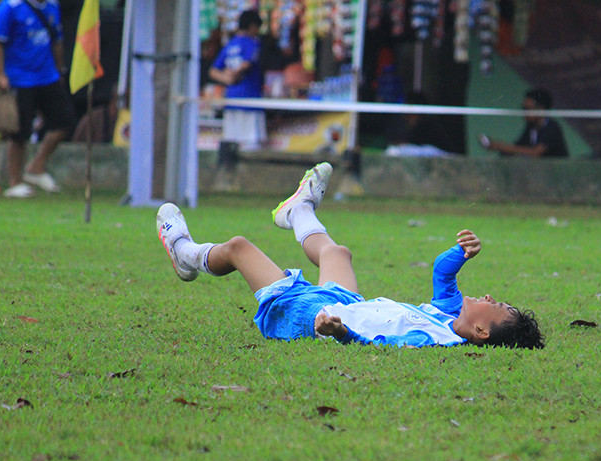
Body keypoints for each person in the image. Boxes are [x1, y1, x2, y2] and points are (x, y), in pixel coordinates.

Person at [156, 163, 545, 349]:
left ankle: (186, 254)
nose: (491, 297)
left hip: (305, 315)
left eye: (498, 307)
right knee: (337, 251)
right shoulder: (446, 313)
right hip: (344, 301)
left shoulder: (433, 338)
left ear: (481, 332)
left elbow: (378, 343)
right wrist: (461, 252)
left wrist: (339, 331)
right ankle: (298, 211)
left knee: (240, 247)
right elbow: (442, 275)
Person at [0, 0, 76, 198]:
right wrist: (2, 74)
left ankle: (36, 167)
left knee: (65, 121)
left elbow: (57, 40)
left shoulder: (53, 6)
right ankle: (15, 182)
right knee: (19, 131)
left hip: (48, 76)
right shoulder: (10, 8)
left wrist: (60, 69)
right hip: (20, 78)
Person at [209, 9, 265, 151]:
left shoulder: (230, 45)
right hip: (249, 101)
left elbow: (213, 71)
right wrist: (234, 75)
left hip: (231, 100)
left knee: (231, 145)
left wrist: (226, 78)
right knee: (250, 145)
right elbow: (247, 62)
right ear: (253, 26)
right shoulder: (251, 43)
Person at [479, 87, 568, 158]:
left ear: (541, 109)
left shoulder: (552, 127)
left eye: (528, 109)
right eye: (523, 109)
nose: (525, 113)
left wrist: (502, 147)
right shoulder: (530, 127)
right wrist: (498, 147)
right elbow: (517, 147)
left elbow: (535, 152)